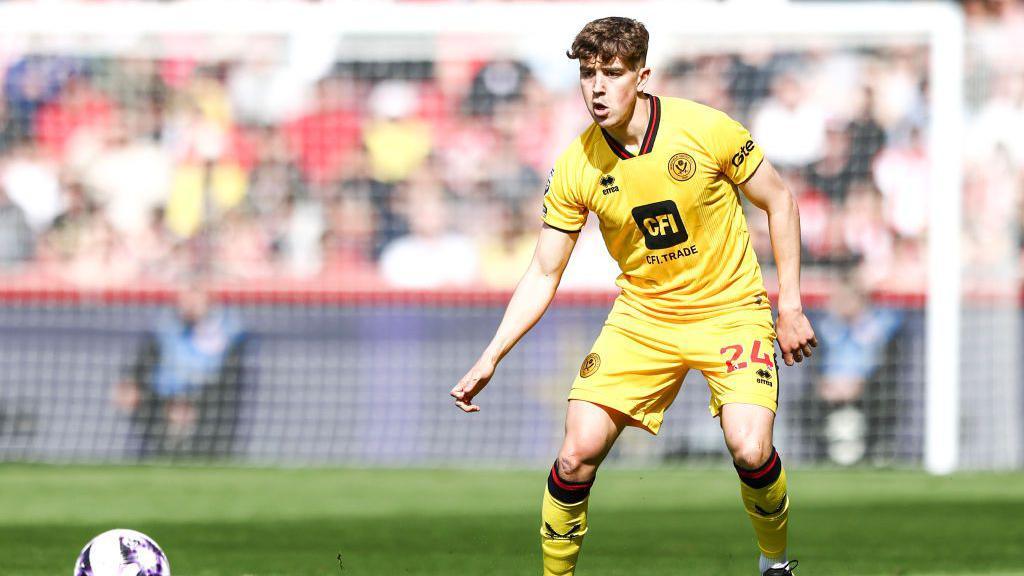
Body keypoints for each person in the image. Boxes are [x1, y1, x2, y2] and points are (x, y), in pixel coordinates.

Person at [450, 17, 816, 576]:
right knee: (574, 455)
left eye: (612, 73)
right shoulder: (577, 165)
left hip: (731, 313)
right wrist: (491, 353)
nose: (597, 87)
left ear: (642, 76)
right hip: (644, 319)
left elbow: (781, 201)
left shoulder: (704, 128)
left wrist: (788, 304)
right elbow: (544, 271)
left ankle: (775, 563)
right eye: (587, 73)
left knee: (750, 448)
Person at [113, 285, 246, 459]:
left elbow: (228, 376)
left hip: (207, 400)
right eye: (185, 300)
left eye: (195, 300)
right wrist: (130, 384)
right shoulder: (165, 329)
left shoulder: (227, 331)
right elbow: (142, 364)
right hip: (163, 399)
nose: (189, 305)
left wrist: (189, 401)